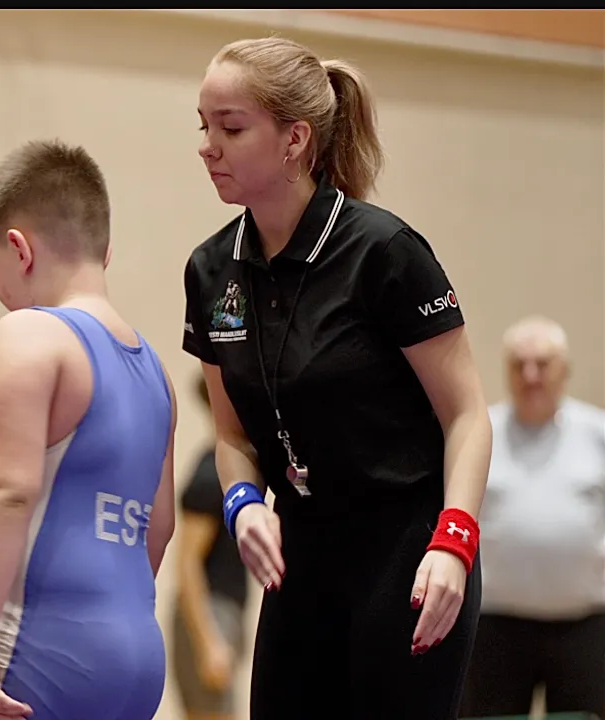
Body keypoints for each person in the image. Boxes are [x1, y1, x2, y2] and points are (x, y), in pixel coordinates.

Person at [182, 37, 494, 719]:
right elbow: (232, 434)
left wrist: (456, 541)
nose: (208, 145)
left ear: (295, 139)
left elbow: (467, 414)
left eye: (231, 128)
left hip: (410, 552)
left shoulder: (385, 253)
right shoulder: (210, 271)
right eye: (203, 126)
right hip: (300, 556)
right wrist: (241, 504)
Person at [0, 139, 178, 720]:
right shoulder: (155, 373)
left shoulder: (30, 336)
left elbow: (8, 492)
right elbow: (155, 530)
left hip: (38, 643)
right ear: (104, 251)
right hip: (135, 654)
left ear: (20, 248)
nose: (0, 287)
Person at [460, 316, 605, 720]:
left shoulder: (598, 434)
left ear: (564, 371)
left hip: (585, 626)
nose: (531, 375)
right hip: (495, 627)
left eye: (543, 364)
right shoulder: (480, 434)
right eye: (519, 364)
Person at [172, 375, 249, 720]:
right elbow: (187, 565)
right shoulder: (209, 476)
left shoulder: (229, 477)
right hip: (207, 616)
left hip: (223, 614)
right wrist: (208, 641)